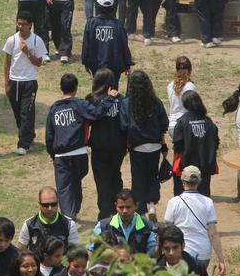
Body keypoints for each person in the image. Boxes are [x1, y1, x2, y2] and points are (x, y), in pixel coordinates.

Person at [45, 74, 111, 220]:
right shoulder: (80, 104)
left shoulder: (54, 109)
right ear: (76, 88)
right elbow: (96, 113)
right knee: (75, 182)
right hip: (80, 154)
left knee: (64, 188)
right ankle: (73, 211)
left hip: (61, 156)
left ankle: (69, 215)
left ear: (61, 88)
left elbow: (49, 135)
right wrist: (109, 99)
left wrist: (52, 154)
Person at [119, 71, 168, 221]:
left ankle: (141, 213)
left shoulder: (127, 104)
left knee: (138, 179)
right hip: (154, 146)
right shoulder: (156, 101)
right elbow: (164, 123)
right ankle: (152, 204)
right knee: (153, 176)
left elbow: (123, 125)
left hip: (137, 148)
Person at [163, 165, 226, 276]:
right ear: (199, 181)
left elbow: (168, 231)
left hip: (182, 252)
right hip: (203, 252)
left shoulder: (174, 202)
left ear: (182, 180)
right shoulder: (208, 202)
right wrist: (221, 259)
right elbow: (213, 233)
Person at [83, 69, 126, 221]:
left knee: (102, 181)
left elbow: (89, 119)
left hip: (100, 147)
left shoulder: (92, 99)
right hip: (118, 146)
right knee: (115, 175)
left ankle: (105, 213)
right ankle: (119, 208)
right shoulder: (121, 99)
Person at [3, 11, 48, 155]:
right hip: (14, 81)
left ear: (30, 25)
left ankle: (23, 144)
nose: (21, 26)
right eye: (19, 23)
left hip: (29, 81)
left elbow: (39, 63)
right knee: (18, 112)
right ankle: (28, 134)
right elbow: (7, 62)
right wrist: (6, 83)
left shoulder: (36, 41)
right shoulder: (12, 40)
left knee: (26, 112)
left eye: (24, 24)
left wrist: (27, 52)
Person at [171, 92, 219, 197]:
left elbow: (178, 147)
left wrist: (174, 163)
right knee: (203, 196)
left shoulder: (182, 122)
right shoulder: (209, 122)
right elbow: (216, 142)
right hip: (205, 165)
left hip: (186, 165)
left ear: (185, 104)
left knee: (183, 196)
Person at [81, 0, 133, 89]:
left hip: (96, 64)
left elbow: (86, 44)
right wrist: (127, 64)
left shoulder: (91, 23)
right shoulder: (118, 25)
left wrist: (85, 61)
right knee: (113, 90)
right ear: (113, 7)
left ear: (98, 6)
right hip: (114, 65)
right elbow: (124, 46)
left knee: (97, 89)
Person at [92, 189, 157, 256]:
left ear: (136, 206)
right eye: (121, 207)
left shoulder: (148, 227)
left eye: (128, 207)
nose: (124, 211)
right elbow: (91, 250)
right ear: (116, 206)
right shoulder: (103, 226)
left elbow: (153, 254)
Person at [18, 186, 80, 255]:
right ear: (39, 204)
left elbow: (74, 254)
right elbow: (20, 254)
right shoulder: (28, 225)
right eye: (46, 205)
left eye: (53, 204)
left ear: (58, 203)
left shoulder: (69, 225)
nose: (50, 208)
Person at [165, 55, 196, 136]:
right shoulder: (190, 87)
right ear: (190, 70)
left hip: (172, 126)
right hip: (186, 126)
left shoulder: (170, 86)